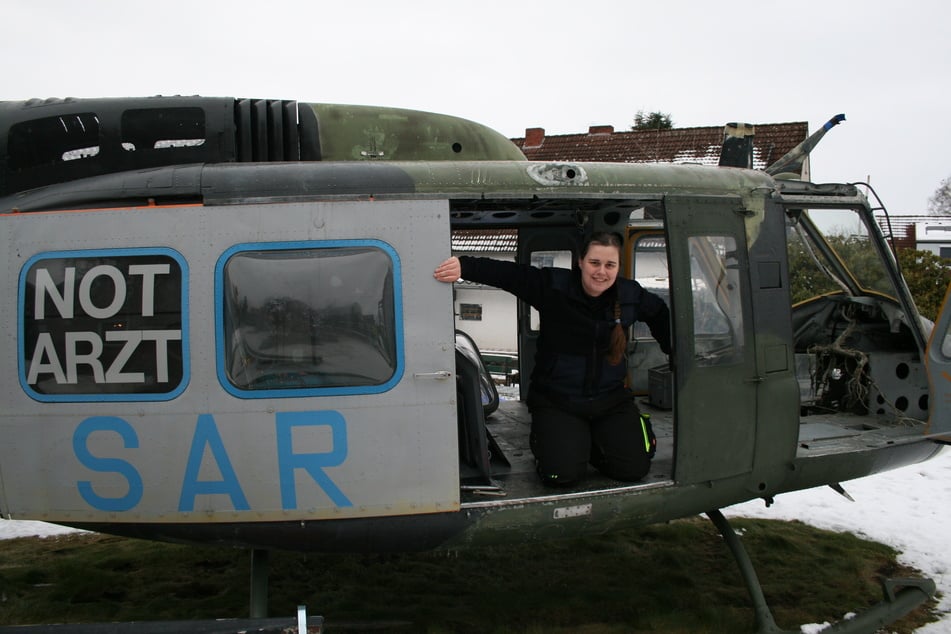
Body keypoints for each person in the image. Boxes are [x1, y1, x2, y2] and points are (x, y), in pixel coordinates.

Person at [433, 232, 672, 486]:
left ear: (617, 267)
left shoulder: (630, 295)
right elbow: (510, 274)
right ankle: (562, 447)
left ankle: (592, 444)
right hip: (558, 400)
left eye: (609, 265)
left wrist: (673, 349)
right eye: (594, 263)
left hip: (610, 400)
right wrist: (465, 265)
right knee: (561, 476)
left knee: (633, 469)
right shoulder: (554, 286)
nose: (601, 272)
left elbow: (659, 313)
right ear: (581, 262)